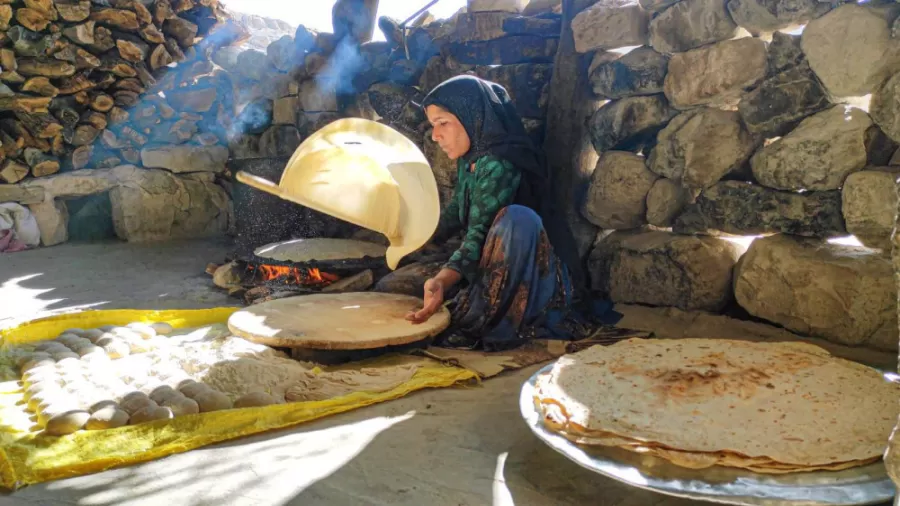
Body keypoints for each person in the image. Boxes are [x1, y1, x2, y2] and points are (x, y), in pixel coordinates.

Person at [404, 75, 621, 351]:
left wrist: (442, 280)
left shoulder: (500, 163)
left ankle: (499, 317)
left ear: (473, 118)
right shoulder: (471, 161)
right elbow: (456, 212)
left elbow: (478, 236)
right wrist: (413, 237)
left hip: (537, 279)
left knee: (518, 220)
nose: (435, 136)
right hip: (492, 266)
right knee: (396, 285)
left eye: (443, 123)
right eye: (433, 126)